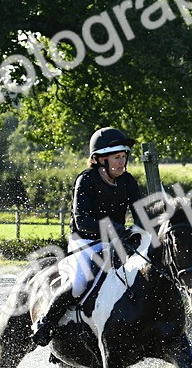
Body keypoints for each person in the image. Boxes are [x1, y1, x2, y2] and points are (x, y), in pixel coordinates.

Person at [30, 126, 144, 346]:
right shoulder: (86, 180)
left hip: (116, 242)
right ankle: (46, 324)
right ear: (100, 159)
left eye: (123, 157)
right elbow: (83, 222)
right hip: (86, 242)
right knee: (80, 282)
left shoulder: (128, 181)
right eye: (116, 158)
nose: (122, 162)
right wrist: (114, 229)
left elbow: (141, 214)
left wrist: (138, 231)